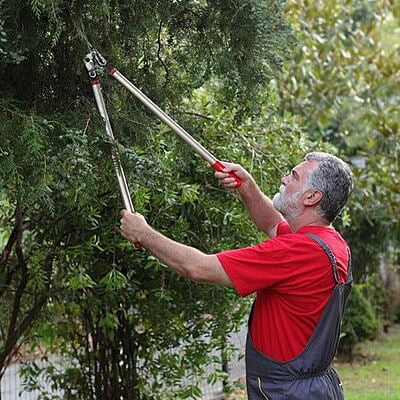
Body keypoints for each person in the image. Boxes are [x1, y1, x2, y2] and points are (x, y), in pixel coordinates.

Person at [120, 151, 354, 400]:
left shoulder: (297, 251)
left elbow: (198, 268)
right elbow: (273, 223)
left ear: (311, 196)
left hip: (286, 392)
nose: (284, 178)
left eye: (294, 176)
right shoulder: (329, 243)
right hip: (316, 388)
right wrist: (247, 186)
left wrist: (143, 234)